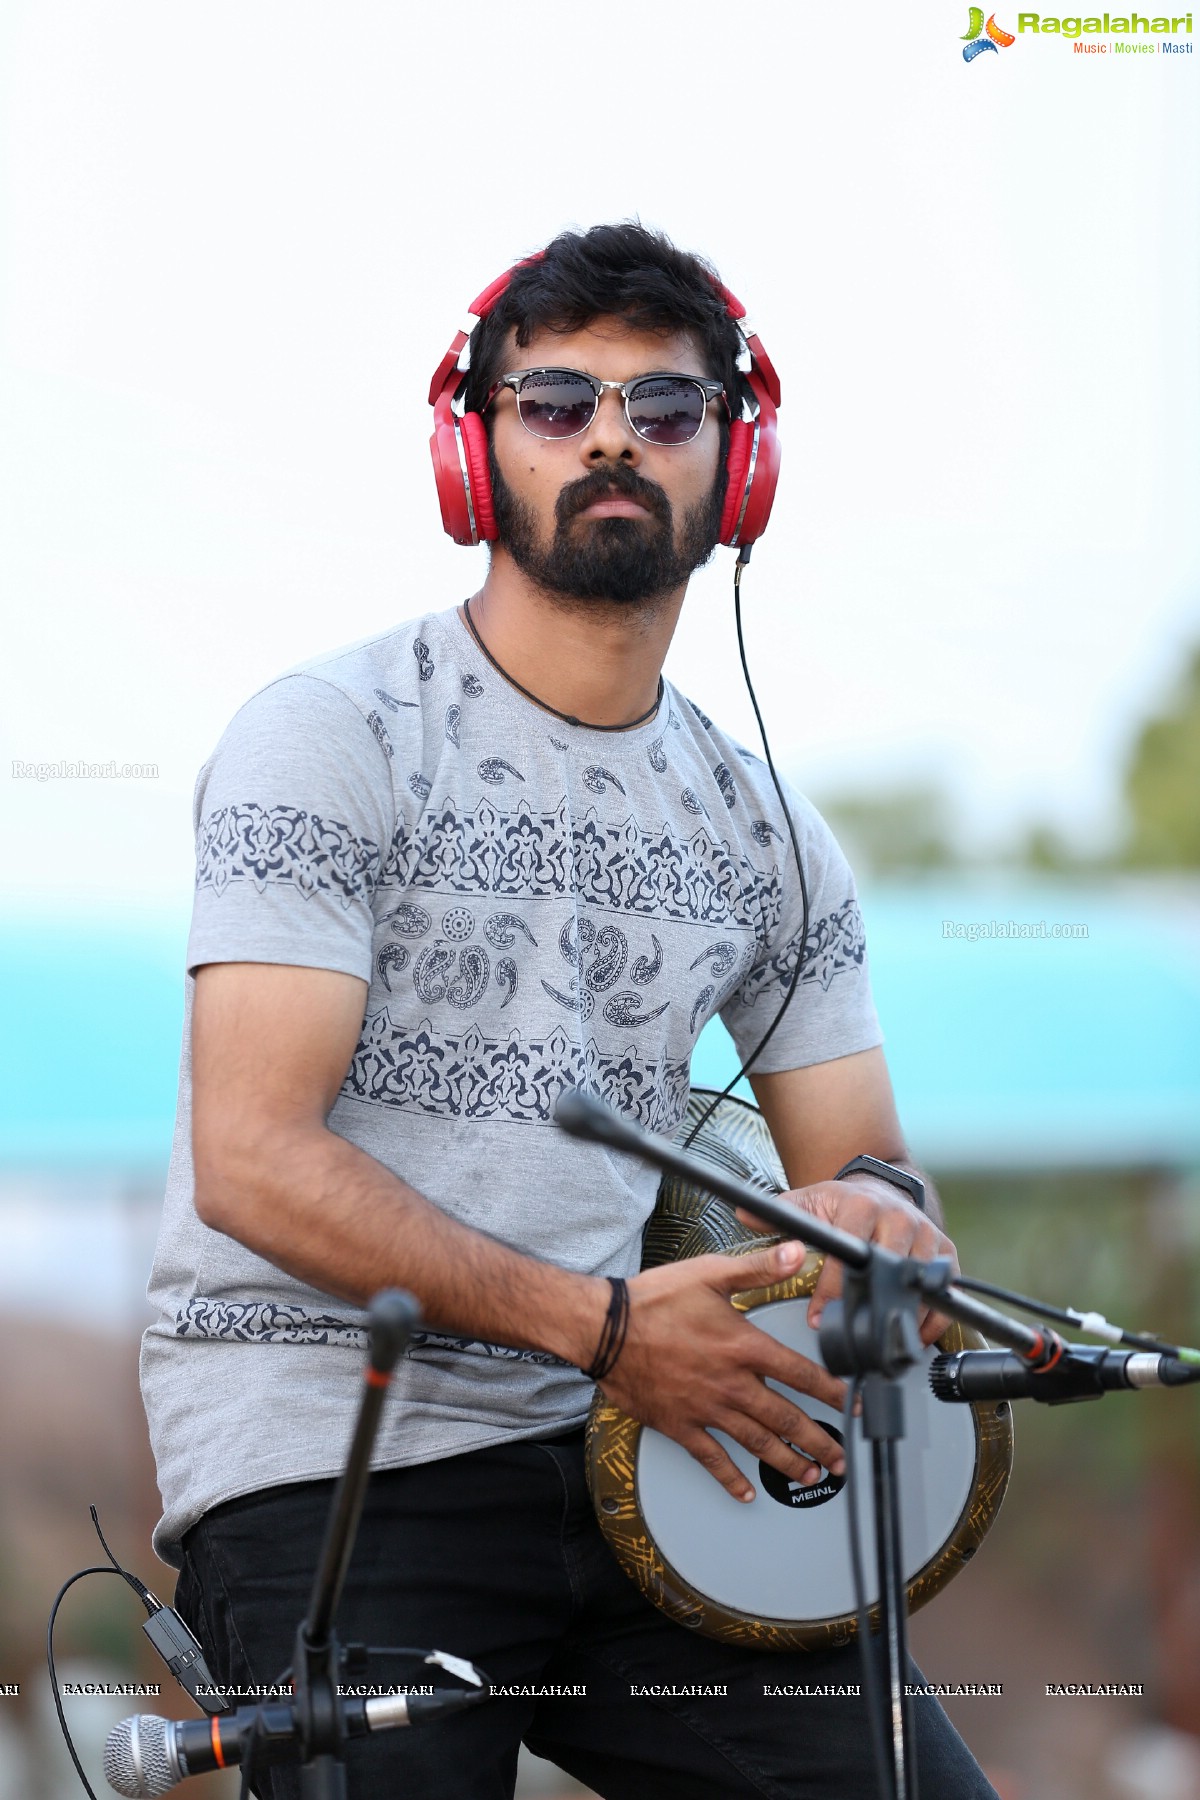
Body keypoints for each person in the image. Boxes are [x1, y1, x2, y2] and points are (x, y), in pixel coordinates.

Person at [141, 222, 998, 1799]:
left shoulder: (769, 838)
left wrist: (882, 1223)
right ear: (475, 458)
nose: (612, 436)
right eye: (554, 400)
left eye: (666, 408)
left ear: (741, 469)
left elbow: (870, 1157)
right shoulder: (324, 739)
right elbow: (252, 1160)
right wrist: (606, 1331)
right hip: (337, 1450)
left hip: (639, 1442)